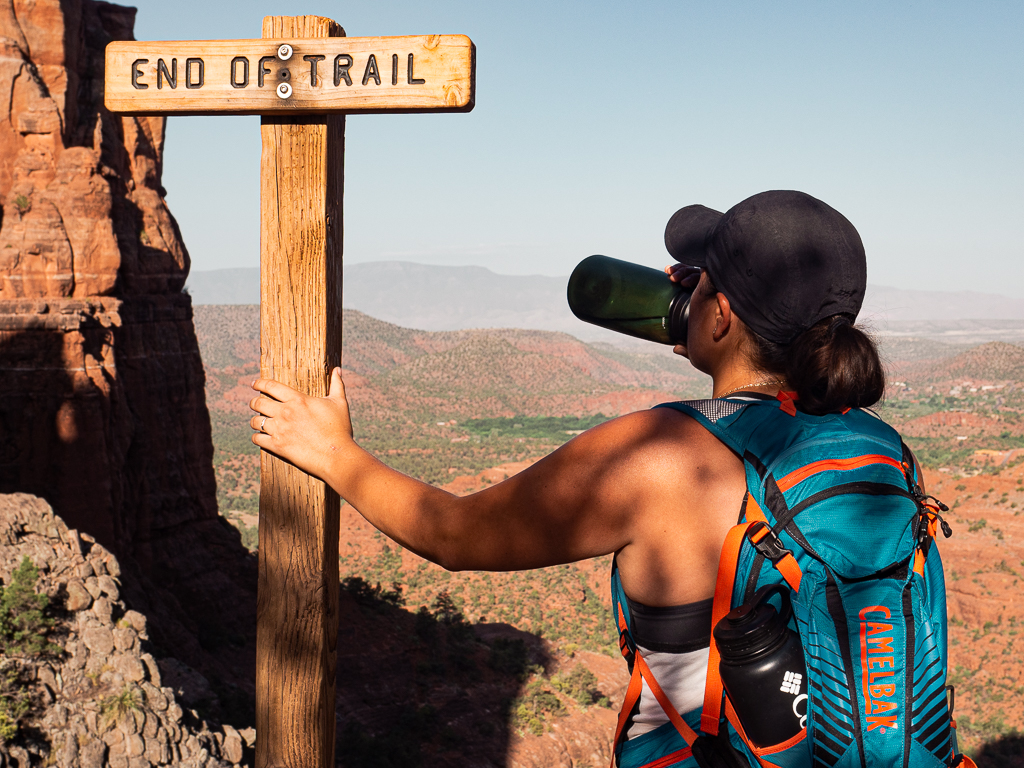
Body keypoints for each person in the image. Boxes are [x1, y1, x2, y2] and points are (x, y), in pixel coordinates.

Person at [249, 190, 892, 767]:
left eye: (701, 285)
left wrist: (333, 454)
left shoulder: (660, 457)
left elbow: (454, 536)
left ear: (721, 315)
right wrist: (713, 336)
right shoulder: (880, 448)